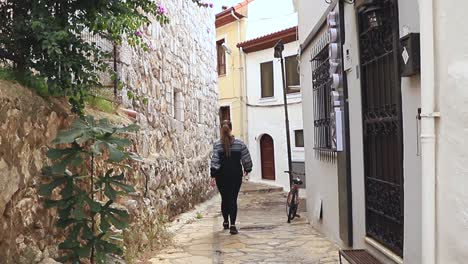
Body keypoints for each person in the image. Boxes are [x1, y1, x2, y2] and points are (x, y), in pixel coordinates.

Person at [210, 120, 252, 235]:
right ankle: (233, 225)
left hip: (221, 176)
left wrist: (213, 175)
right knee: (233, 199)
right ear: (231, 129)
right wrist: (247, 169)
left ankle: (225, 222)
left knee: (225, 198)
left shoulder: (217, 145)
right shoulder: (239, 144)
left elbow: (215, 161)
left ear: (221, 130)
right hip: (235, 176)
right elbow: (246, 158)